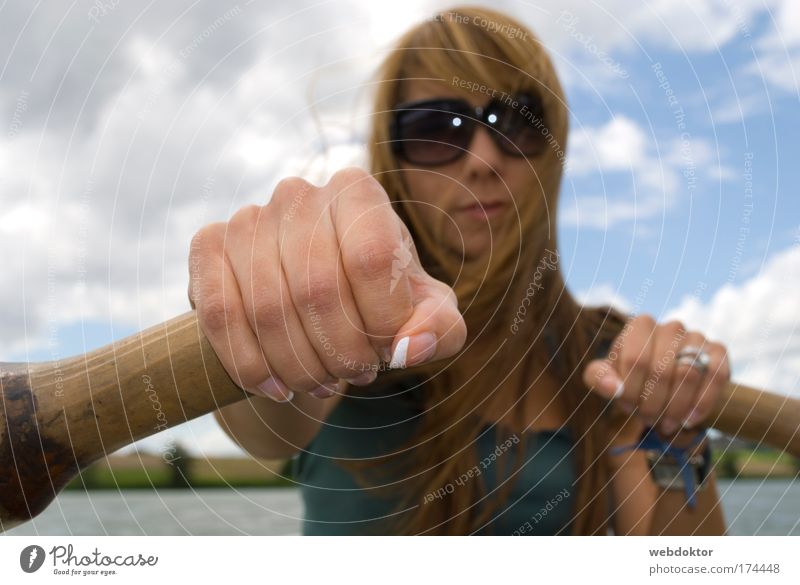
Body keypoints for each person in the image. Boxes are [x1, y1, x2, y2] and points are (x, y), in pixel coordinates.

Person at [188, 5, 731, 535]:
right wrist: (268, 301)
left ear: (551, 150)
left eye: (515, 122)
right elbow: (267, 425)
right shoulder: (335, 313)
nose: (481, 159)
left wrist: (675, 431)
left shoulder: (618, 356)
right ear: (393, 162)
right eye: (435, 128)